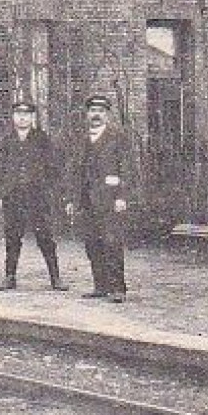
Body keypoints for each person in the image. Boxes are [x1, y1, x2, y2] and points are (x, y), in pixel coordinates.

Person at [63, 94, 134, 303]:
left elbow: (128, 168)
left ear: (107, 115)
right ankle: (100, 286)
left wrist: (122, 196)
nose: (96, 115)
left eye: (101, 112)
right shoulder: (81, 139)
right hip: (86, 200)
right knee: (92, 244)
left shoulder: (118, 137)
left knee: (112, 242)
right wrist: (71, 199)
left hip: (110, 199)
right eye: (93, 111)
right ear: (87, 114)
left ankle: (118, 288)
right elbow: (73, 171)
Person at [0, 100, 66, 291]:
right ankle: (10, 277)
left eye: (26, 114)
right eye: (18, 114)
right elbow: (0, 170)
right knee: (12, 237)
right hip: (13, 195)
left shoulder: (42, 139)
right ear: (13, 117)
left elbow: (53, 167)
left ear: (32, 117)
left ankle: (55, 277)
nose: (22, 117)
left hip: (37, 195)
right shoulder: (6, 140)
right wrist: (0, 194)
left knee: (45, 236)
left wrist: (48, 190)